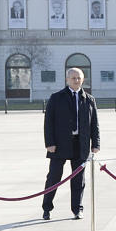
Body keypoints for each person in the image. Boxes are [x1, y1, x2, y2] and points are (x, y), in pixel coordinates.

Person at [43, 68, 100, 221]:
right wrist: (49, 143)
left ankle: (77, 209)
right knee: (54, 177)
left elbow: (94, 124)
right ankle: (47, 208)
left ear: (83, 80)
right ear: (67, 79)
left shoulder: (89, 99)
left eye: (79, 78)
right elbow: (48, 122)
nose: (76, 80)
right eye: (73, 78)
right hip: (59, 145)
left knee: (78, 179)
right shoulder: (56, 98)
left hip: (80, 144)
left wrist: (96, 144)